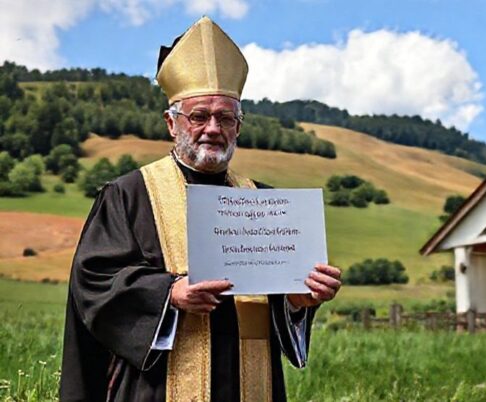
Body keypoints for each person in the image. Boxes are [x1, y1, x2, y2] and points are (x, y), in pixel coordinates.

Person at [59, 16, 342, 402]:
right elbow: (93, 282)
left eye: (225, 117)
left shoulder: (265, 203)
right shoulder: (129, 195)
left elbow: (273, 299)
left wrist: (297, 301)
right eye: (199, 116)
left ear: (238, 127)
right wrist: (169, 294)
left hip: (250, 384)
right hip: (156, 387)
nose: (213, 128)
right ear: (171, 124)